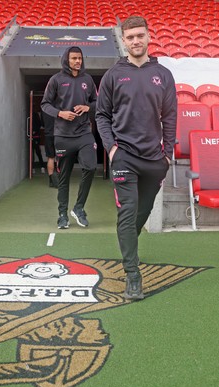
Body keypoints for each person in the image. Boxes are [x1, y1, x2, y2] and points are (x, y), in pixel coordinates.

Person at [96, 16, 177, 300]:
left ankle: (127, 246)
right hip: (125, 157)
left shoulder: (163, 74)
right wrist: (112, 149)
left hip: (155, 160)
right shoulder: (113, 75)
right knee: (127, 214)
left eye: (139, 35)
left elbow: (170, 116)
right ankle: (133, 275)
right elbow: (101, 115)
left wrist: (167, 155)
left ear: (148, 36)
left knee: (139, 217)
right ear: (124, 40)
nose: (135, 41)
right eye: (130, 37)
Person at [41, 46, 97, 229]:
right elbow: (45, 104)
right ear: (66, 59)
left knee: (90, 167)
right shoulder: (56, 80)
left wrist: (88, 107)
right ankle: (62, 215)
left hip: (84, 133)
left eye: (79, 58)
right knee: (64, 177)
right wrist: (60, 114)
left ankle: (79, 208)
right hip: (63, 136)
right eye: (74, 58)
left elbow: (97, 102)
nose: (77, 61)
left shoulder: (87, 80)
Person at [40, 110, 58, 188]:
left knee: (50, 158)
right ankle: (59, 179)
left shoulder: (44, 108)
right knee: (60, 157)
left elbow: (42, 123)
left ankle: (51, 181)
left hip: (48, 134)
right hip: (59, 134)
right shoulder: (60, 105)